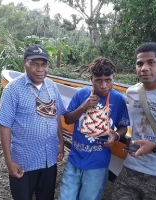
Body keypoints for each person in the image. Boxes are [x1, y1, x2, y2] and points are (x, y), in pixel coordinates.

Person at [0, 44, 66, 200]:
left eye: (44, 64)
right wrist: (9, 162)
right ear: (24, 64)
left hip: (49, 159)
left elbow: (57, 116)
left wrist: (61, 143)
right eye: (34, 64)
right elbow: (5, 126)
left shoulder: (52, 86)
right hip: (24, 161)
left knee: (46, 197)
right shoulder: (13, 89)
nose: (40, 69)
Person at [58, 57, 130, 200]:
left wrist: (115, 136)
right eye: (99, 80)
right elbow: (68, 119)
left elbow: (123, 127)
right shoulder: (81, 94)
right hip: (75, 158)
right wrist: (84, 107)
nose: (104, 85)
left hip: (98, 161)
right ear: (91, 79)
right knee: (66, 197)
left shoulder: (118, 99)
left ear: (113, 78)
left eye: (108, 80)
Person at [112, 42, 156, 200]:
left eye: (151, 62)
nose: (144, 68)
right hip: (131, 167)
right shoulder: (132, 92)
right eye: (139, 63)